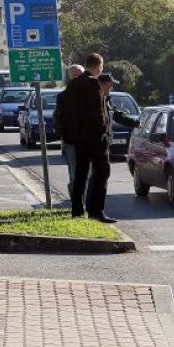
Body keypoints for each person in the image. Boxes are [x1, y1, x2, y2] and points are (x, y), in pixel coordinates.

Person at [81, 73, 139, 223]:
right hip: (96, 143)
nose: (112, 88)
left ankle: (93, 211)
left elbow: (116, 115)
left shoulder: (104, 100)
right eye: (110, 85)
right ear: (102, 84)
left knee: (98, 176)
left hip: (101, 143)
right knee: (100, 176)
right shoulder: (94, 100)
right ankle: (97, 212)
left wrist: (136, 123)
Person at [63, 53, 113, 221]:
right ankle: (96, 211)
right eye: (101, 67)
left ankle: (77, 211)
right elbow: (97, 111)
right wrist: (103, 130)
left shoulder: (73, 84)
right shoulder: (93, 83)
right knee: (102, 172)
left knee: (80, 174)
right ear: (99, 66)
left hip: (78, 137)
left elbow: (68, 111)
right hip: (94, 137)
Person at [54, 64, 85, 196]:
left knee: (88, 173)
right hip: (71, 141)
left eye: (79, 76)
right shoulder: (62, 96)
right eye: (74, 76)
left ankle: (85, 198)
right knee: (74, 171)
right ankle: (76, 198)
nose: (77, 78)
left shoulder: (93, 93)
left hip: (89, 141)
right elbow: (58, 116)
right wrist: (62, 133)